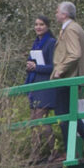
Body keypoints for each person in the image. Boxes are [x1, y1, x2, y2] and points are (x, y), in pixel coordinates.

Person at [50, 1, 84, 155]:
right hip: (71, 76)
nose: (56, 14)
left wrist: (60, 70)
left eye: (57, 11)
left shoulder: (70, 29)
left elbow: (74, 53)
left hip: (68, 77)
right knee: (67, 113)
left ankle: (71, 150)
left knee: (63, 114)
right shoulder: (73, 28)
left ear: (64, 14)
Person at [22, 16, 59, 159]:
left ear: (48, 26)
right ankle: (35, 154)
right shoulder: (36, 43)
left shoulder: (51, 43)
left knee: (41, 118)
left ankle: (54, 151)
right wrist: (30, 66)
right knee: (33, 119)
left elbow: (54, 67)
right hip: (35, 83)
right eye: (36, 24)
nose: (38, 27)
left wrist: (37, 67)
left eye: (41, 24)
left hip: (46, 84)